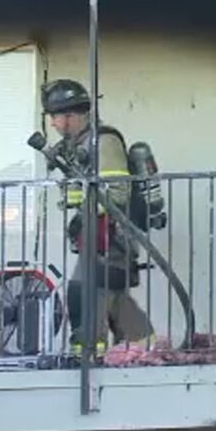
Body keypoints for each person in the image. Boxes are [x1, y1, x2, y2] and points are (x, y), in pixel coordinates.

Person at [41, 79, 154, 356]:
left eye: (55, 118)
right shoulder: (78, 144)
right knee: (110, 297)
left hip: (114, 236)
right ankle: (143, 345)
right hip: (97, 234)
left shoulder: (104, 142)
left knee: (88, 294)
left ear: (69, 116)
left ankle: (89, 355)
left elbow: (117, 193)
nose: (54, 125)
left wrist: (85, 212)